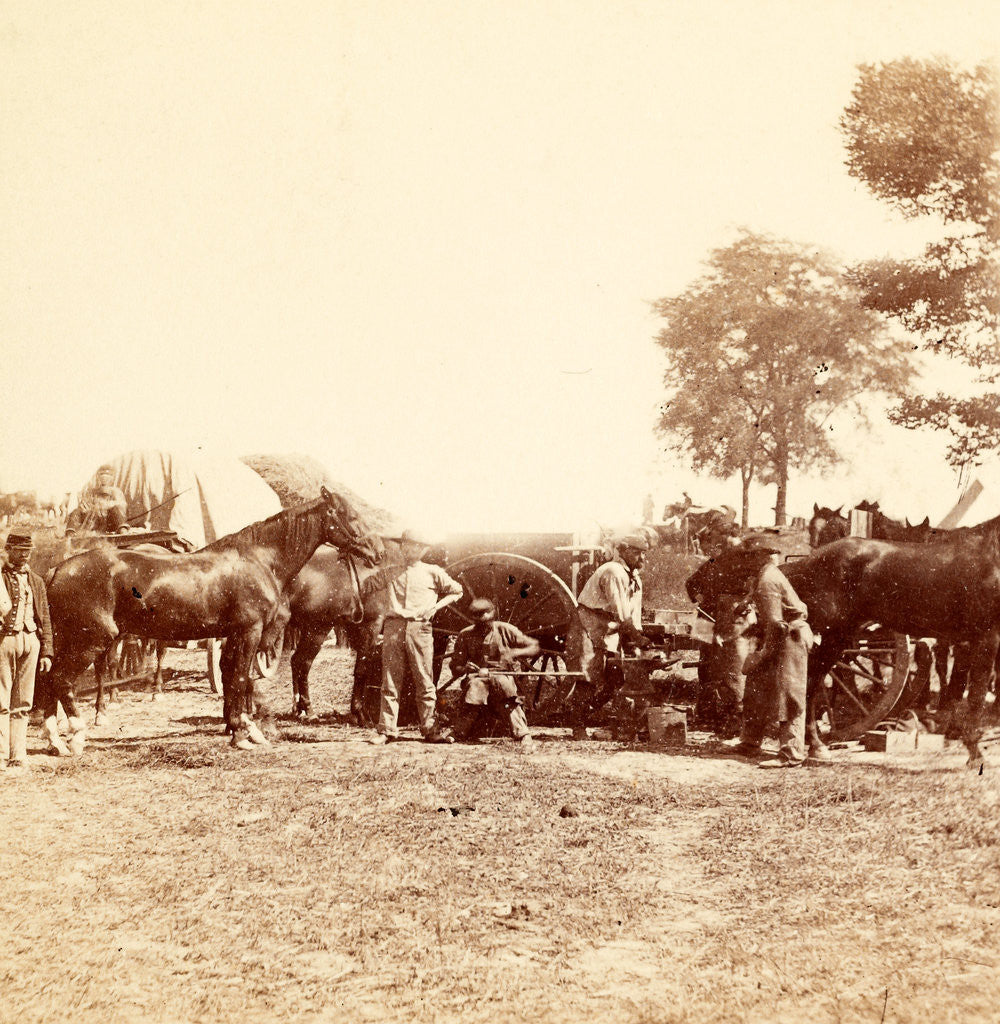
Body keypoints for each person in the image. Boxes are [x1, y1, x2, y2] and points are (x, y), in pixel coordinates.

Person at [364, 528, 463, 744]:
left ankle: (430, 729)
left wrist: (436, 607)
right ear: (401, 547)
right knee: (390, 679)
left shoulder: (433, 572)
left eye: (418, 546)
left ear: (424, 550)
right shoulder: (389, 572)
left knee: (424, 680)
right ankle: (386, 730)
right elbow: (365, 585)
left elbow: (457, 590)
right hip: (393, 628)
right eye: (408, 545)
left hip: (420, 629)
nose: (412, 549)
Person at [731, 535, 816, 768]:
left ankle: (792, 753)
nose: (744, 561)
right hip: (778, 632)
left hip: (788, 637)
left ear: (761, 557)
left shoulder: (767, 579)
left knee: (788, 695)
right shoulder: (763, 575)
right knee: (756, 687)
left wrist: (763, 654)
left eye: (748, 557)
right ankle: (750, 742)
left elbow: (777, 625)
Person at [567, 532, 651, 740]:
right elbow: (622, 613)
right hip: (589, 626)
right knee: (587, 678)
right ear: (622, 551)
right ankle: (577, 726)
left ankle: (586, 716)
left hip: (609, 630)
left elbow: (633, 614)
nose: (642, 559)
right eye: (637, 553)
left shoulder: (633, 576)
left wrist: (636, 637)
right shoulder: (613, 572)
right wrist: (638, 640)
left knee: (615, 681)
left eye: (644, 554)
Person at [449, 598, 539, 749]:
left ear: (493, 617)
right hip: (477, 678)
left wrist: (515, 652)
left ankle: (523, 733)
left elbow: (534, 647)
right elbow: (455, 667)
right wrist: (465, 669)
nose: (483, 626)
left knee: (503, 685)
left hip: (503, 677)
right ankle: (458, 732)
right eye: (479, 623)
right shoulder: (465, 635)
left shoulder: (505, 630)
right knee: (476, 687)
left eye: (487, 622)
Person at [1, 530, 54, 772]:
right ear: (8, 551)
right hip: (4, 642)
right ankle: (1, 755)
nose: (23, 556)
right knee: (1, 700)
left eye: (27, 552)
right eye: (19, 551)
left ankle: (18, 754)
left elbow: (45, 618)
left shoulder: (37, 581)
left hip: (31, 641)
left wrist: (46, 652)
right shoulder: (1, 577)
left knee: (23, 702)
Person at [66, 464, 128, 534]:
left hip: (109, 521)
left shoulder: (115, 491)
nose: (104, 477)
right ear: (98, 477)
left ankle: (122, 529)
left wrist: (108, 504)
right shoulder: (92, 491)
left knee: (117, 508)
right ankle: (70, 531)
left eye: (108, 475)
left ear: (112, 477)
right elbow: (85, 504)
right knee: (76, 511)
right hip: (95, 521)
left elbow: (122, 504)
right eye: (101, 474)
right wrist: (84, 508)